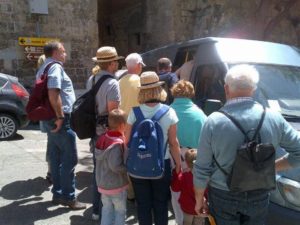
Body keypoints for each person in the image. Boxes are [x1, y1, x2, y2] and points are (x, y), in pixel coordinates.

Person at [193, 64, 300, 225]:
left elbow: (202, 167)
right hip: (259, 193)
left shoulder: (213, 121)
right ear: (254, 89)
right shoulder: (274, 118)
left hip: (223, 195)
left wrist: (199, 199)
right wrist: (271, 167)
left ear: (226, 88)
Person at [125, 71, 182, 225]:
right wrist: (178, 164)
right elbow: (173, 143)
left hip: (138, 165)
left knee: (143, 205)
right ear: (159, 89)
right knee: (161, 204)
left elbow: (127, 140)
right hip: (161, 165)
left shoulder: (134, 112)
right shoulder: (169, 112)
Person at [36, 41, 86, 209]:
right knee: (69, 159)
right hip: (60, 118)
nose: (65, 54)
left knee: (56, 159)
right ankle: (68, 197)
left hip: (50, 117)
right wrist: (60, 116)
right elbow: (53, 92)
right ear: (56, 52)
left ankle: (58, 194)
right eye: (63, 51)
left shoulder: (43, 67)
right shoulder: (56, 67)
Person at [86, 46, 123, 220]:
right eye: (116, 61)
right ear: (112, 63)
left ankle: (97, 210)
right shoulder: (112, 83)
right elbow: (113, 114)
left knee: (97, 171)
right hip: (107, 135)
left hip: (94, 131)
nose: (117, 64)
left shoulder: (91, 80)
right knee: (111, 170)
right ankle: (111, 212)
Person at [170, 80, 207, 224]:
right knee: (197, 192)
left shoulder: (167, 111)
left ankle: (180, 221)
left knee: (177, 193)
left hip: (174, 158)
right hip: (195, 160)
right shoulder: (200, 114)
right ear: (191, 94)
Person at [119, 52, 145, 201]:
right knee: (138, 157)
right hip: (137, 124)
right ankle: (138, 190)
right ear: (138, 65)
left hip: (122, 123)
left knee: (126, 156)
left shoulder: (120, 81)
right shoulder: (139, 81)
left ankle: (130, 192)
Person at [95, 109, 128, 225]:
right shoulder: (117, 143)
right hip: (116, 184)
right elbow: (115, 165)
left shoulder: (102, 138)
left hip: (103, 183)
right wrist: (126, 169)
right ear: (122, 125)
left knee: (107, 209)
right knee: (120, 211)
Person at [171, 149, 205, 225]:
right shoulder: (205, 178)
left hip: (187, 209)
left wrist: (178, 171)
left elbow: (175, 188)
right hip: (200, 209)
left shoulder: (183, 177)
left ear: (186, 162)